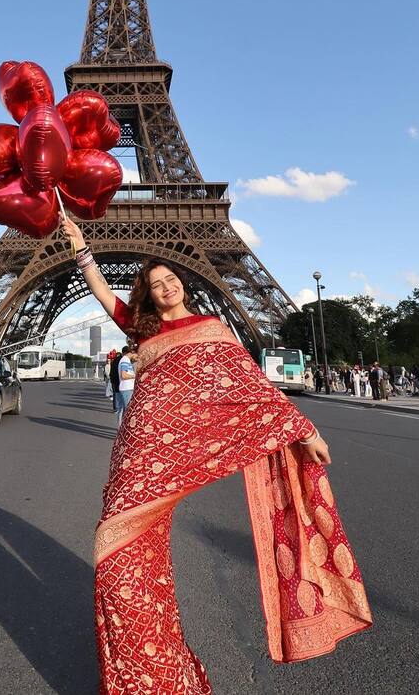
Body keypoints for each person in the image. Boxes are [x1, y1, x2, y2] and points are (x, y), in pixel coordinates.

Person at [60, 214, 371, 692]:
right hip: (137, 453)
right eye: (156, 284)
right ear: (147, 294)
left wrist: (301, 428)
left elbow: (247, 387)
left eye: (171, 279)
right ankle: (140, 666)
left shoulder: (211, 327)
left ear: (182, 282)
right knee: (113, 549)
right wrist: (82, 249)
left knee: (128, 555)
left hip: (178, 452)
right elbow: (103, 292)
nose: (166, 287)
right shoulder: (140, 327)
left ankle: (159, 675)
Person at [114, 346, 135, 428]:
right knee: (128, 411)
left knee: (126, 411)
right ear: (132, 352)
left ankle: (123, 429)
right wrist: (134, 376)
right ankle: (125, 430)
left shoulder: (125, 360)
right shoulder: (125, 360)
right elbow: (124, 375)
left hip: (127, 388)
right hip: (127, 388)